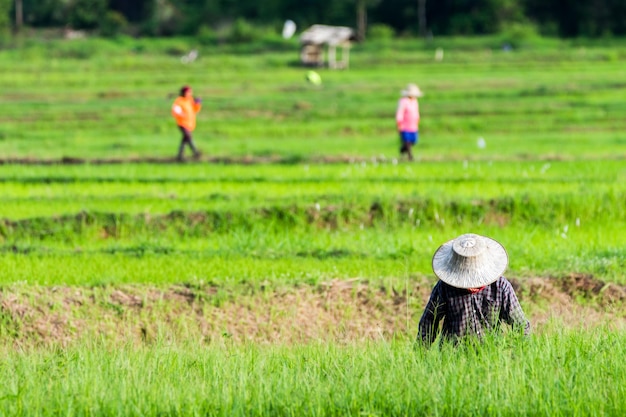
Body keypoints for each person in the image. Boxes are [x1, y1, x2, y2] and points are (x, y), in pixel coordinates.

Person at [418, 233, 530, 345]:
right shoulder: (445, 287)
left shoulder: (500, 287)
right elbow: (428, 323)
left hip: (491, 355)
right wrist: (421, 356)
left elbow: (522, 326)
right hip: (453, 355)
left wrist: (518, 357)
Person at [171, 85, 202, 161]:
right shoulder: (179, 101)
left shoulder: (189, 100)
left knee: (185, 139)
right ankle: (196, 152)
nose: (190, 93)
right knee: (188, 136)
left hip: (190, 123)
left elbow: (195, 110)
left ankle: (180, 155)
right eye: (189, 92)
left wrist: (197, 104)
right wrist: (182, 115)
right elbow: (175, 111)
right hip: (182, 123)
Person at [396, 83, 423, 161]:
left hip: (413, 125)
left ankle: (403, 149)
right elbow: (400, 112)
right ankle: (410, 156)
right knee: (407, 141)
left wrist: (418, 119)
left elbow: (416, 112)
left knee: (413, 140)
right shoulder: (403, 101)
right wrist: (399, 123)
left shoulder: (415, 101)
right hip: (405, 125)